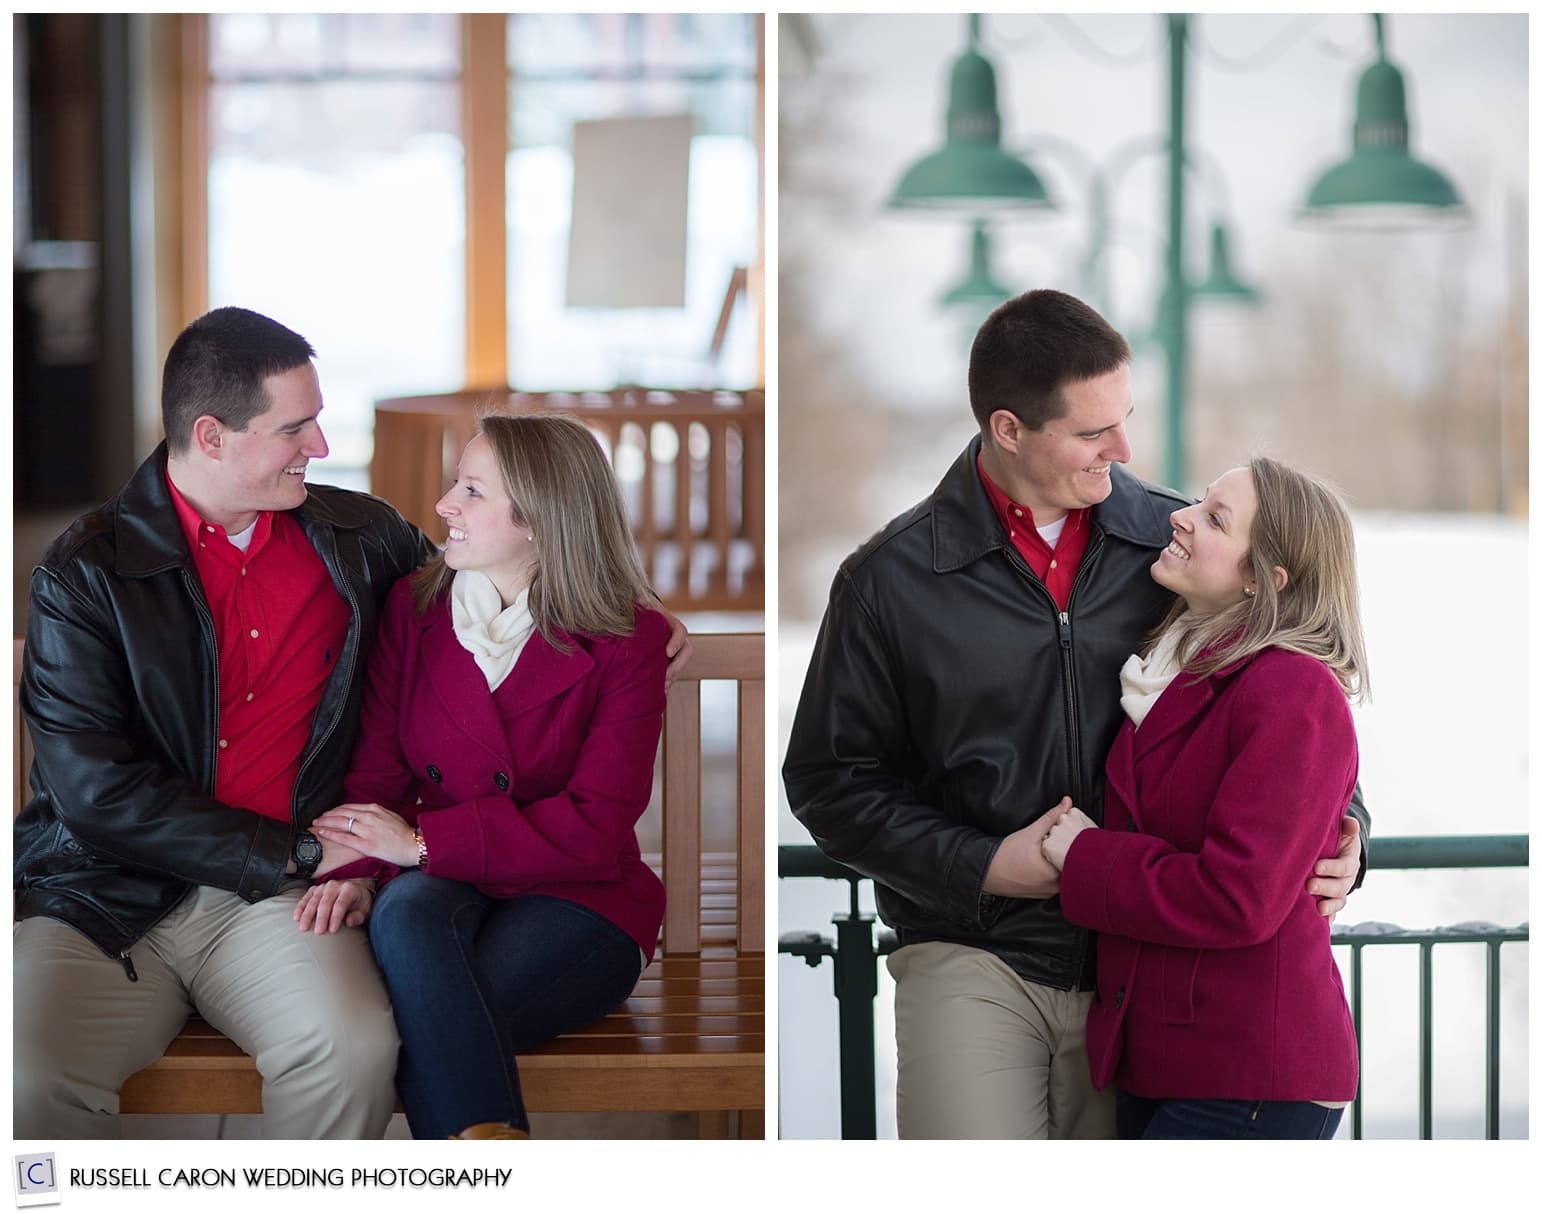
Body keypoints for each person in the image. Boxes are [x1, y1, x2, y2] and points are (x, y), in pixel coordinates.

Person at [13, 308, 691, 1139]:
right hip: (102, 893)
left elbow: (527, 567)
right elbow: (92, 790)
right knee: (25, 1073)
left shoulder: (359, 539)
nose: (323, 446)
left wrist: (637, 609)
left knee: (353, 1046)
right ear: (212, 436)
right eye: (296, 427)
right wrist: (313, 853)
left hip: (279, 904)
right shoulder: (87, 570)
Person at [783, 289, 1368, 1140]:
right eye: (1095, 433)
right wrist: (984, 865)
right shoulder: (890, 581)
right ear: (1009, 428)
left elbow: (1293, 733)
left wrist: (1349, 834)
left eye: (1124, 419)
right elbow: (830, 782)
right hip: (975, 951)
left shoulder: (1176, 553)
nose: (1124, 450)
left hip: (1147, 984)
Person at [294, 414, 670, 1141]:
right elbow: (378, 764)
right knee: (411, 931)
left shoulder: (629, 639)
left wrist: (422, 845)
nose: (443, 506)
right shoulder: (413, 608)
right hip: (443, 887)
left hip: (581, 899)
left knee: (424, 1010)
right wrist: (365, 867)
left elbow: (597, 823)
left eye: (471, 490)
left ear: (538, 520)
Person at [1041, 457, 1365, 1140]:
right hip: (1166, 1062)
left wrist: (1086, 857)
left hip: (1251, 1073)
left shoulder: (1292, 690)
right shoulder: (1171, 669)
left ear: (1262, 580)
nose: (1179, 518)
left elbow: (1237, 895)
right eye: (1198, 502)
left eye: (1215, 519)